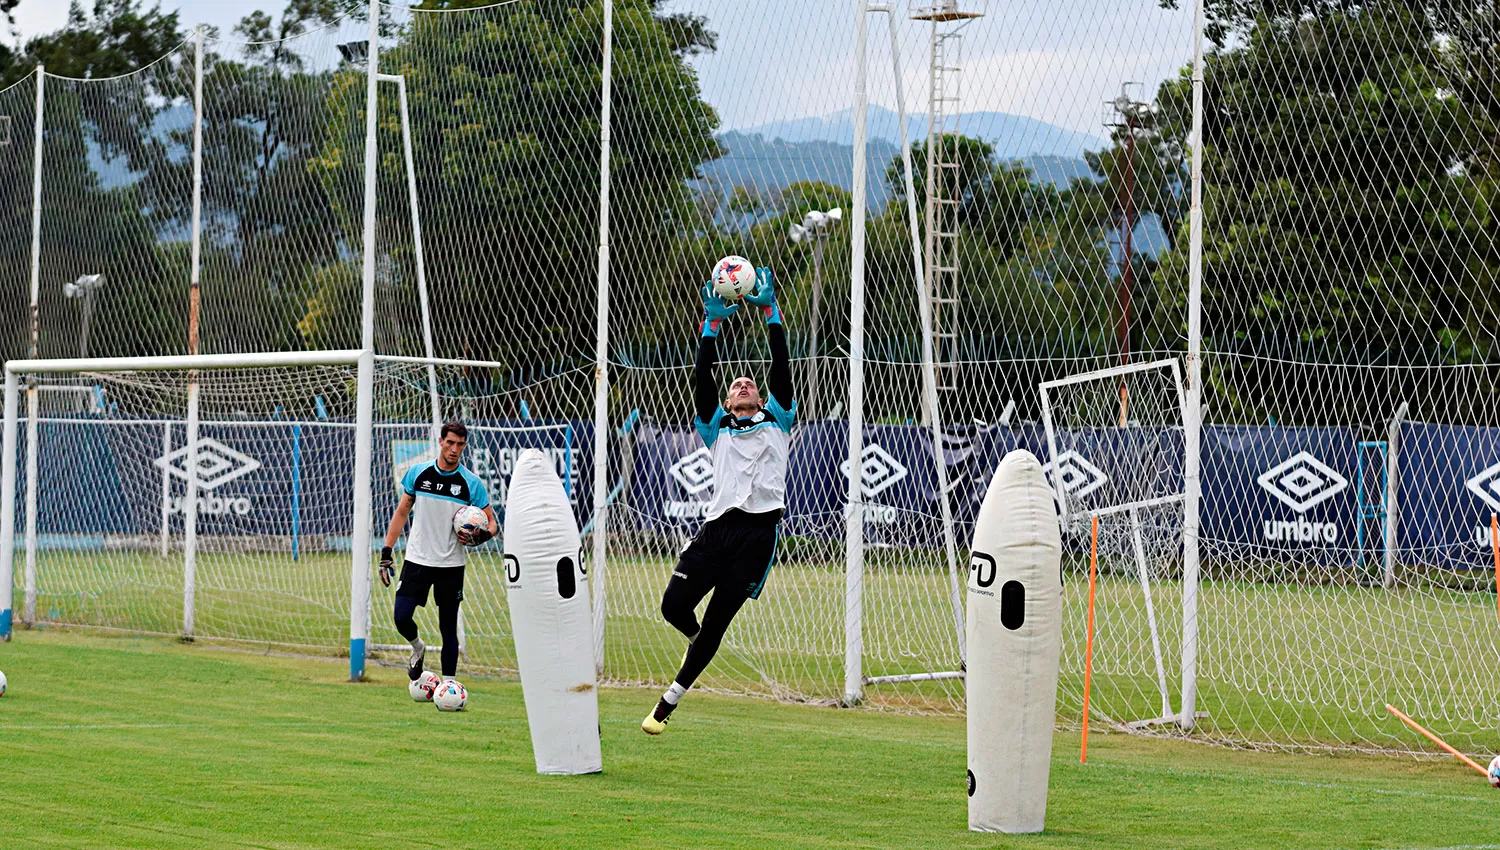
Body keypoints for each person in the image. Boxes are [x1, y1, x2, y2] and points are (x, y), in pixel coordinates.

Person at [643, 267, 795, 734]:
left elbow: (780, 365)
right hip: (716, 531)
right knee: (673, 607)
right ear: (728, 401)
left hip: (758, 534)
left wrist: (771, 313)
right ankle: (699, 643)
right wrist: (710, 325)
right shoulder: (716, 427)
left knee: (719, 620)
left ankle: (667, 704)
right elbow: (702, 376)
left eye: (749, 383)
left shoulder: (779, 417)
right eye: (737, 385)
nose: (744, 384)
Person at [379, 421, 498, 686]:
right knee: (401, 616)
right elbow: (401, 512)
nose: (455, 449)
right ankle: (418, 648)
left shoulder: (470, 484)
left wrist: (482, 537)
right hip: (418, 560)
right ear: (441, 441)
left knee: (448, 628)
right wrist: (387, 551)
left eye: (460, 445)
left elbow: (492, 523)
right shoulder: (419, 474)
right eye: (451, 443)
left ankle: (450, 686)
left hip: (451, 565)